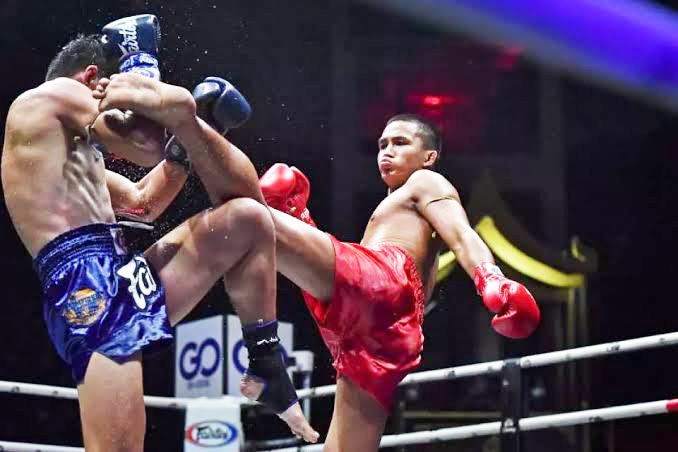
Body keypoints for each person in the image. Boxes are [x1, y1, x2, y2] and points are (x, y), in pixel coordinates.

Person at [1, 14, 318, 451]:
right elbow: (145, 143)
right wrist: (139, 62)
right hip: (85, 288)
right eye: (111, 83)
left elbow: (142, 201)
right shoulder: (49, 97)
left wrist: (182, 149)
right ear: (93, 76)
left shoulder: (73, 158)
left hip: (117, 268)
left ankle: (266, 361)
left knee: (246, 218)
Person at [259, 113, 541, 450]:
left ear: (429, 157)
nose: (386, 152)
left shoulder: (426, 182)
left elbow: (462, 235)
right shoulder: (395, 205)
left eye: (400, 143)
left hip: (388, 289)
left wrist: (490, 278)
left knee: (252, 213)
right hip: (374, 330)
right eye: (382, 145)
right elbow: (352, 289)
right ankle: (293, 219)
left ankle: (198, 149)